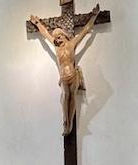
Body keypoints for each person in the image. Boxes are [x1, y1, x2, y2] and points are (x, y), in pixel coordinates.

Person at [30, 4, 101, 135]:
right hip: (63, 77)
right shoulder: (57, 47)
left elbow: (85, 30)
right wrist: (37, 23)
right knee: (65, 97)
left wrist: (94, 16)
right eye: (56, 38)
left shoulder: (72, 43)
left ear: (64, 35)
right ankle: (66, 122)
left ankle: (70, 125)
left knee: (72, 97)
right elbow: (45, 34)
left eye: (59, 36)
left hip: (72, 75)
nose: (57, 39)